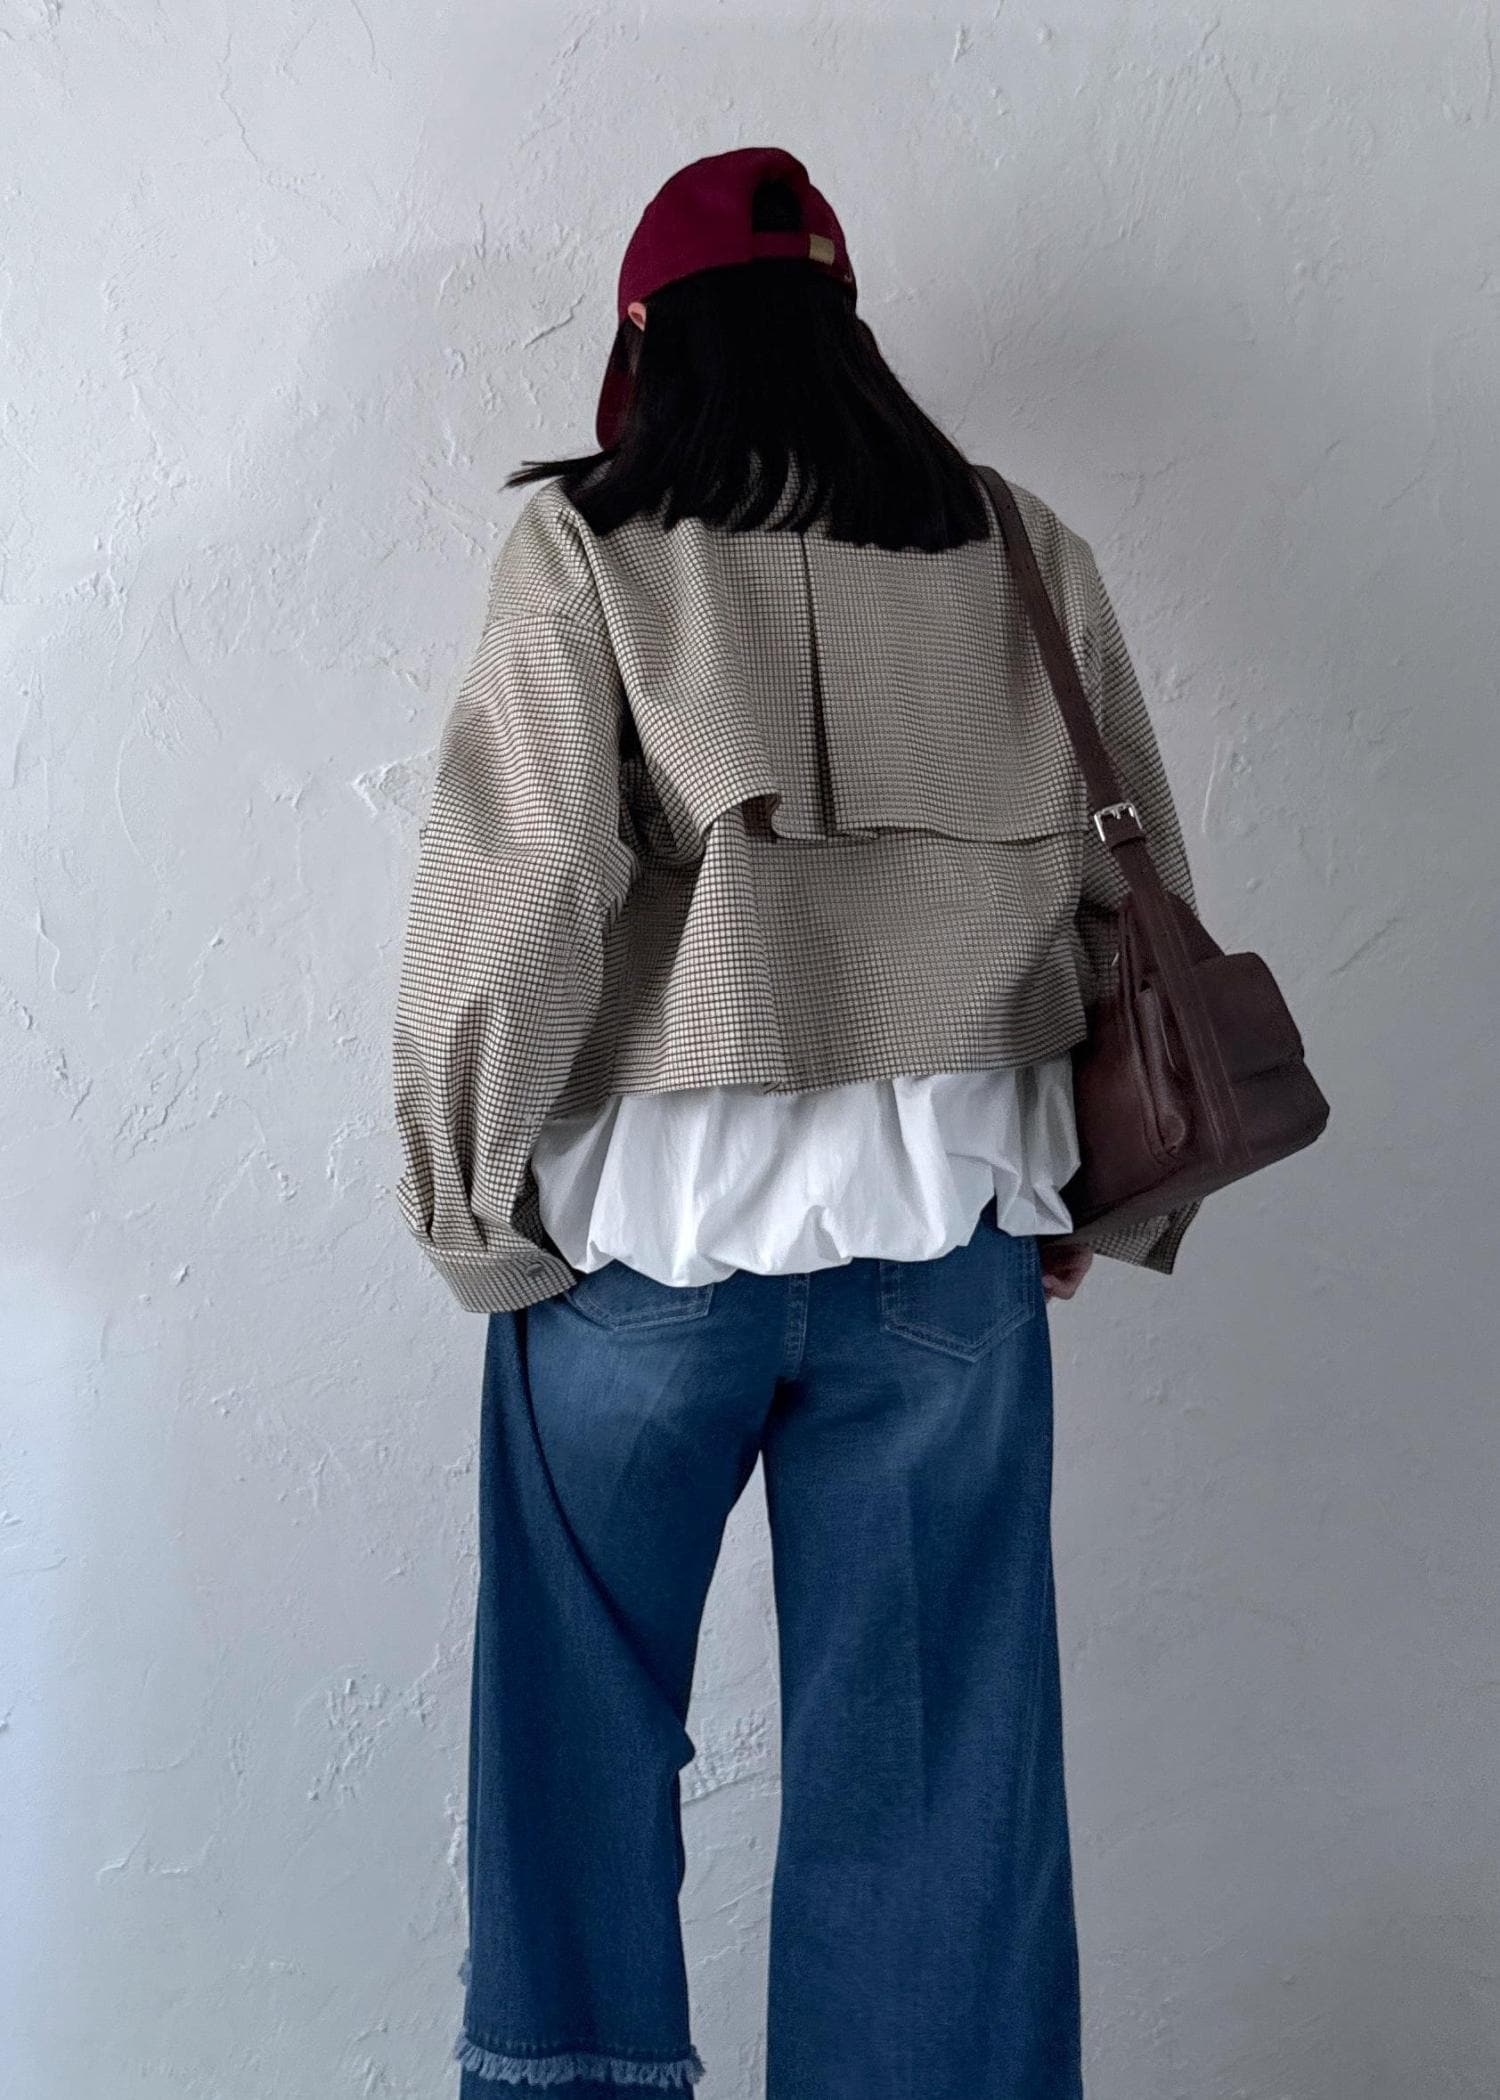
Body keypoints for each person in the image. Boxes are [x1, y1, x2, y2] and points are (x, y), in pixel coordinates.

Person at [390, 145, 1200, 2100]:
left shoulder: (589, 553)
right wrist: (1088, 1192)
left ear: (645, 338)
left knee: (571, 1755)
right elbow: (1134, 885)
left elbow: (516, 905)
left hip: (641, 1258)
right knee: (939, 1783)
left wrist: (470, 1207)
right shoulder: (1018, 548)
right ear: (846, 324)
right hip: (947, 1255)